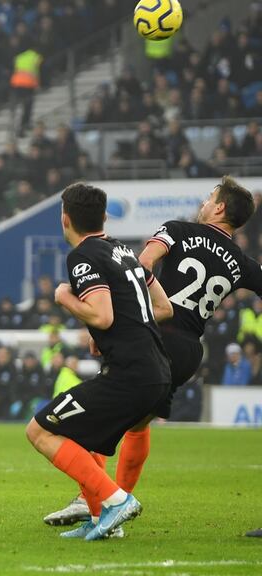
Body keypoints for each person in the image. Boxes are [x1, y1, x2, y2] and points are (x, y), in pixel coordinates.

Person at [44, 176, 262, 526]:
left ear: (219, 207)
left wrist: (108, 327)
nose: (204, 202)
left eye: (210, 197)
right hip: (190, 350)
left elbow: (139, 267)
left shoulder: (178, 230)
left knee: (106, 413)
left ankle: (97, 499)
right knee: (137, 422)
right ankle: (113, 500)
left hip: (153, 335)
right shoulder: (241, 261)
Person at [25, 182, 173, 541]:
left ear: (65, 219)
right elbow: (164, 308)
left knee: (40, 430)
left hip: (130, 375)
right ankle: (99, 520)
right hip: (157, 370)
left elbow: (102, 315)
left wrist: (64, 298)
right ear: (104, 217)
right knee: (86, 436)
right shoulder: (122, 251)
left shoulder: (83, 256)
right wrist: (106, 333)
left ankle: (115, 500)